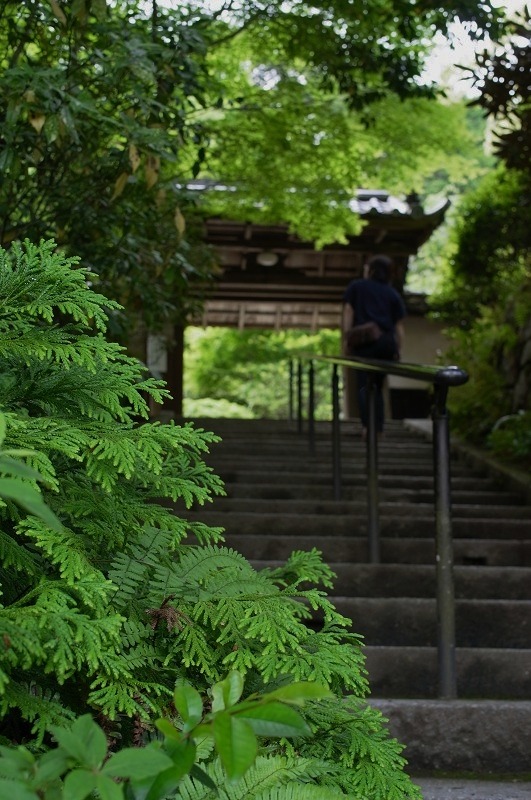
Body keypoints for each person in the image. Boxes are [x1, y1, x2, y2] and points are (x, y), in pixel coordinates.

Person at [342, 254, 406, 437]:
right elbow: (399, 327)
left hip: (365, 341)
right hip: (386, 343)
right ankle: (379, 428)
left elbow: (348, 311)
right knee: (378, 386)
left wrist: (348, 338)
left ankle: (368, 427)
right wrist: (398, 349)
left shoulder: (357, 287)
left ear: (371, 270)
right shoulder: (392, 293)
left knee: (364, 385)